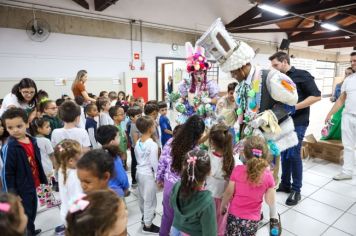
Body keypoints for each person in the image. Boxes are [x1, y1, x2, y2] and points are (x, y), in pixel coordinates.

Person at [269, 51, 321, 205]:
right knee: (284, 152)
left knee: (294, 154)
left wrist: (295, 107)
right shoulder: (275, 78)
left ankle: (296, 190)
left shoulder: (302, 75)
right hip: (282, 121)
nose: (274, 68)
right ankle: (285, 184)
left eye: (276, 65)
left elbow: (317, 96)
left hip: (298, 121)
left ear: (285, 61)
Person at [221, 136, 281, 236]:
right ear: (265, 155)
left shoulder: (237, 170)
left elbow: (228, 192)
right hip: (252, 220)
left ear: (244, 154)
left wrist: (223, 205)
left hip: (234, 215)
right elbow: (270, 201)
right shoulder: (268, 175)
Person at [156, 115, 205, 236]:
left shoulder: (171, 142)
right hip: (185, 190)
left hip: (169, 185)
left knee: (167, 216)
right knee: (182, 221)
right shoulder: (197, 152)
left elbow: (162, 162)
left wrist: (159, 178)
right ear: (199, 135)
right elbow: (197, 176)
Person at [1, 108, 47, 235]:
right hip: (22, 188)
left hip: (34, 183)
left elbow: (37, 161)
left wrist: (43, 180)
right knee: (25, 212)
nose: (15, 130)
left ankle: (30, 228)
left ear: (27, 124)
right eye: (10, 127)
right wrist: (12, 194)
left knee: (33, 209)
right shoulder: (9, 147)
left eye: (19, 126)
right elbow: (6, 174)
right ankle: (28, 232)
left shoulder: (32, 140)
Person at [170, 149, 217, 236]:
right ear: (209, 172)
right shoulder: (207, 201)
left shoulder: (177, 186)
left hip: (175, 230)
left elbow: (171, 204)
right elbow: (210, 233)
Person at [325, 52, 356, 180]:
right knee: (348, 145)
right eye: (352, 61)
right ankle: (347, 172)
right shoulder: (349, 80)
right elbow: (341, 100)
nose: (353, 63)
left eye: (355, 61)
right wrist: (329, 113)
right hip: (348, 116)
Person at [174, 42, 219, 126]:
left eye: (201, 73)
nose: (198, 75)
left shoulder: (210, 84)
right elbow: (183, 98)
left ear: (204, 72)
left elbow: (217, 100)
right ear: (192, 74)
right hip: (190, 114)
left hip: (204, 115)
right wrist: (179, 103)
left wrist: (209, 100)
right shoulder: (186, 83)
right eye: (196, 74)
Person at [206, 124, 235, 236]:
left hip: (207, 196)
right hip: (223, 199)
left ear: (212, 142)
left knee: (207, 223)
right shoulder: (233, 160)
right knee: (221, 225)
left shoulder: (207, 157)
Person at [135, 116, 160, 234]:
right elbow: (155, 163)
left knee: (142, 197)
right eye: (154, 125)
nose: (155, 126)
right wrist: (159, 177)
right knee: (150, 200)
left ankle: (144, 216)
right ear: (150, 129)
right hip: (148, 175)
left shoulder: (138, 141)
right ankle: (148, 225)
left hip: (139, 172)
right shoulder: (152, 144)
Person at [29, 117, 60, 208]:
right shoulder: (46, 141)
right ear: (39, 129)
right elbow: (51, 155)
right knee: (48, 183)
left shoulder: (31, 140)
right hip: (46, 166)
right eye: (47, 127)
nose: (50, 128)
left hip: (36, 167)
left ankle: (43, 200)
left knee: (40, 184)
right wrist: (55, 165)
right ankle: (49, 201)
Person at [96, 125, 129, 197]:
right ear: (112, 141)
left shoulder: (100, 154)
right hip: (116, 190)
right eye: (118, 136)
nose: (120, 138)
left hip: (105, 190)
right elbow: (121, 176)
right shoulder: (113, 156)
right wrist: (126, 187)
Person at [54, 139, 83, 223]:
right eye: (81, 155)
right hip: (75, 217)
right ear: (71, 161)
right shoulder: (74, 176)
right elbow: (78, 200)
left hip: (66, 212)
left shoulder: (62, 169)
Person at [323, 67, 355, 141]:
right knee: (335, 123)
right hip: (338, 109)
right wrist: (333, 98)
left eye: (349, 73)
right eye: (346, 73)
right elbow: (336, 97)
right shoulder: (339, 85)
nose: (347, 75)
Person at [127, 106, 143, 187]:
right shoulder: (133, 126)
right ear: (131, 117)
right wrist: (140, 149)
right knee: (135, 163)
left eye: (141, 115)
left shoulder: (137, 124)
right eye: (138, 116)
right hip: (136, 148)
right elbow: (136, 141)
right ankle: (134, 180)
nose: (140, 117)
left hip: (139, 147)